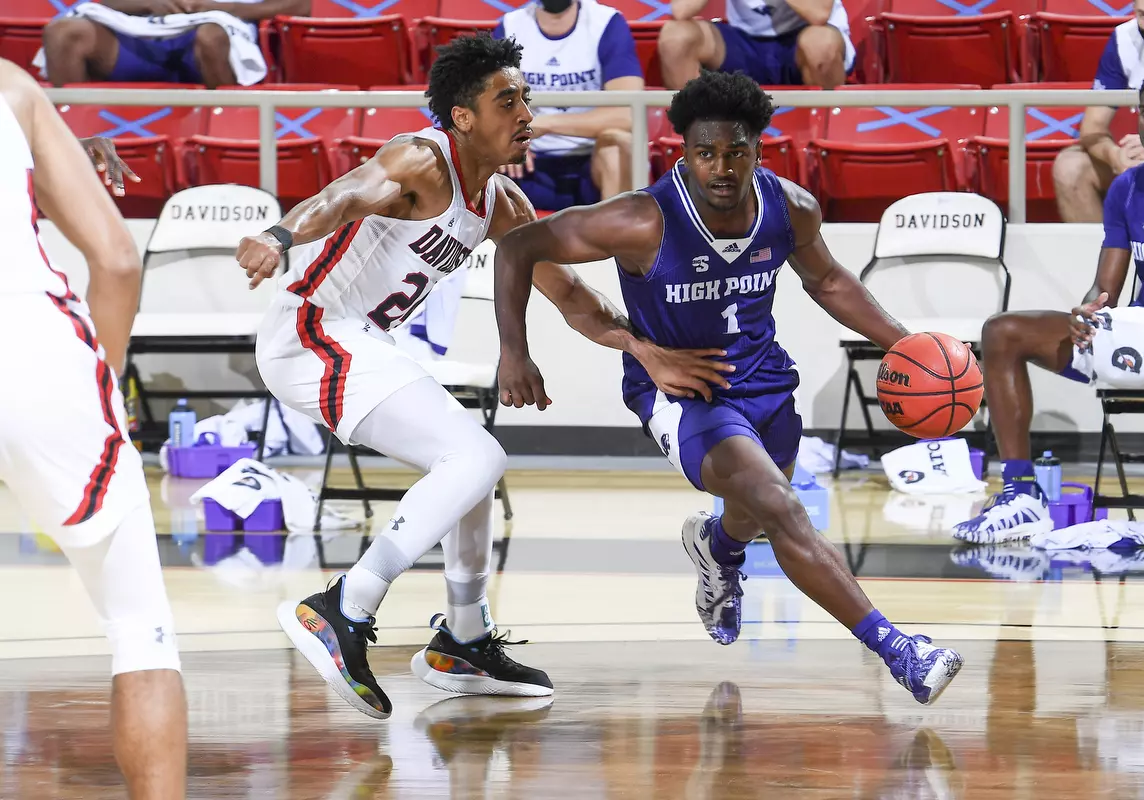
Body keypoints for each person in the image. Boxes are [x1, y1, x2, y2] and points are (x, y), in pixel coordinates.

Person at [236, 34, 730, 718]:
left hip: (359, 339)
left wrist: (646, 349)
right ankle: (343, 606)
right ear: (463, 117)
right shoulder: (420, 158)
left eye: (526, 97)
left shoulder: (502, 204)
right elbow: (344, 194)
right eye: (508, 100)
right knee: (477, 453)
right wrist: (280, 236)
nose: (526, 111)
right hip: (311, 330)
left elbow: (573, 299)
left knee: (469, 465)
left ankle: (462, 639)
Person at [491, 70, 963, 705]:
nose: (720, 166)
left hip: (765, 380)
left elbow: (827, 282)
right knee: (782, 507)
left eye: (735, 152)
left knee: (755, 515)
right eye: (705, 152)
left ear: (758, 151)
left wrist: (906, 344)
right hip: (684, 393)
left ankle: (716, 548)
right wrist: (515, 352)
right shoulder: (640, 220)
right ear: (682, 153)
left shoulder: (790, 207)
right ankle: (899, 648)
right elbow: (518, 247)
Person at [0, 58, 186, 798]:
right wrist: (98, 384)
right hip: (35, 356)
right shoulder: (11, 85)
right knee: (138, 626)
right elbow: (114, 259)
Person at [956, 64, 1144, 543]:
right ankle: (1020, 494)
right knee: (1002, 331)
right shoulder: (1128, 187)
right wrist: (1086, 313)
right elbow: (1104, 284)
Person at [1053, 0, 1144, 222]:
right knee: (1070, 167)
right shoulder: (1124, 40)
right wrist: (1116, 157)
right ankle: (1101, 254)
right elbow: (1092, 128)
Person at [494, 0, 644, 208]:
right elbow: (489, 106)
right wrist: (502, 143)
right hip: (526, 162)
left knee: (618, 143)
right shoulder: (510, 27)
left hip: (591, 163)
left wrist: (545, 124)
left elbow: (628, 115)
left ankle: (615, 237)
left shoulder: (607, 23)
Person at [40, 0, 308, 88]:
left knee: (210, 35)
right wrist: (147, 3)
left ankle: (225, 128)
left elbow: (301, 5)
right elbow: (108, 3)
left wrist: (225, 8)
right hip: (139, 37)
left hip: (211, 40)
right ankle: (69, 136)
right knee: (62, 33)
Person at [656, 0, 854, 91]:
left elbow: (818, 12)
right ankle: (698, 135)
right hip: (745, 42)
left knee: (820, 45)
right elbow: (681, 9)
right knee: (676, 37)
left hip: (802, 41)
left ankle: (827, 130)